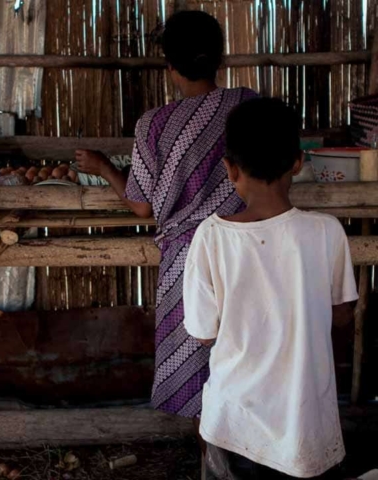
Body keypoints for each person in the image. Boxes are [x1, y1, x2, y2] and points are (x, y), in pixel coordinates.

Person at [75, 10, 257, 434]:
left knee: (195, 356)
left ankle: (208, 447)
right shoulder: (247, 105)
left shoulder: (154, 125)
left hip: (187, 262)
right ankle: (248, 443)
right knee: (244, 350)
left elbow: (142, 207)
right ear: (220, 59)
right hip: (244, 248)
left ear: (170, 67)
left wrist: (103, 167)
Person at [183, 97, 357, 479]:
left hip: (232, 424)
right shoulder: (326, 233)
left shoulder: (210, 237)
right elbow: (342, 315)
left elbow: (202, 334)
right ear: (298, 162)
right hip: (304, 422)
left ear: (230, 169)